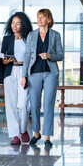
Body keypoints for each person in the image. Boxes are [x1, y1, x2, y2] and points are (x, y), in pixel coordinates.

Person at [21, 8, 63, 148]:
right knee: (34, 104)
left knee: (48, 104)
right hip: (34, 73)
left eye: (42, 17)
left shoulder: (55, 35)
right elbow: (27, 56)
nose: (39, 19)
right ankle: (36, 133)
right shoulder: (31, 36)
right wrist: (24, 75)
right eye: (38, 17)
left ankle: (47, 137)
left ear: (49, 20)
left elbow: (60, 55)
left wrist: (50, 56)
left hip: (51, 73)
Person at [0, 12, 33, 145]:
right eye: (13, 23)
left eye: (18, 23)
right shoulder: (7, 39)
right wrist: (5, 61)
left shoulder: (29, 39)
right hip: (10, 72)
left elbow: (32, 58)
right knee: (11, 105)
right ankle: (14, 135)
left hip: (24, 72)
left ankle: (23, 130)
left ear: (23, 25)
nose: (15, 26)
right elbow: (3, 59)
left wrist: (27, 75)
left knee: (23, 104)